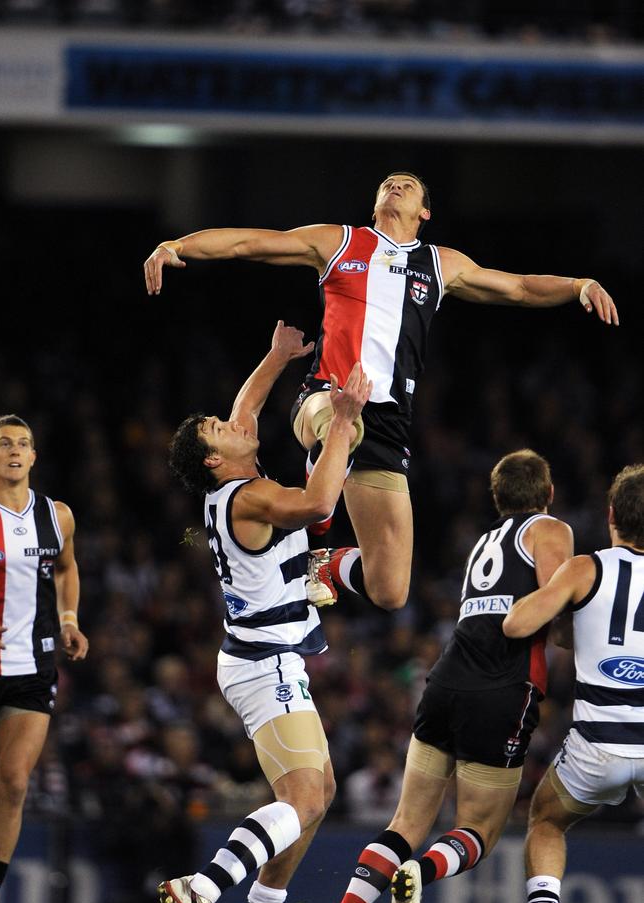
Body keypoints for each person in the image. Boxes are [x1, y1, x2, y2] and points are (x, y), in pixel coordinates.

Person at [144, 172, 617, 613]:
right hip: (324, 398)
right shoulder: (340, 241)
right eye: (388, 183)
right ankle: (314, 527)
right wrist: (177, 244)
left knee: (390, 588)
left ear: (424, 212)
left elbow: (517, 288)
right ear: (375, 205)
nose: (395, 185)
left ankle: (323, 562)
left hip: (389, 422)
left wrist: (578, 285)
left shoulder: (440, 263)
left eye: (407, 185)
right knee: (343, 421)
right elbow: (251, 242)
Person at [307, 449, 573, 903]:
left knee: (406, 822)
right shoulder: (550, 530)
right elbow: (554, 599)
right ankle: (419, 873)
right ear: (548, 494)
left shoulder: (484, 543)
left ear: (498, 499)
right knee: (480, 828)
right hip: (503, 689)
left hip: (446, 681)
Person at [159, 320, 371, 903]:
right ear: (214, 460)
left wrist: (278, 356)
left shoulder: (228, 485)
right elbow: (316, 506)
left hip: (261, 655)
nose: (237, 423)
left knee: (319, 791)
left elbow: (247, 405)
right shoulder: (247, 496)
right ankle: (202, 887)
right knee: (304, 799)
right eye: (221, 431)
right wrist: (342, 420)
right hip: (265, 663)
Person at [489, 464, 644, 903]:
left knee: (547, 820)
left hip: (597, 744)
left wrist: (570, 620)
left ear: (611, 517)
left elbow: (519, 623)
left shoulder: (585, 568)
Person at [0, 415, 88, 902]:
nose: (14, 449)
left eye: (23, 443)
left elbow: (67, 567)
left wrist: (69, 618)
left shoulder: (57, 516)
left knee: (12, 782)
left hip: (33, 665)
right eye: (4, 442)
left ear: (33, 456)